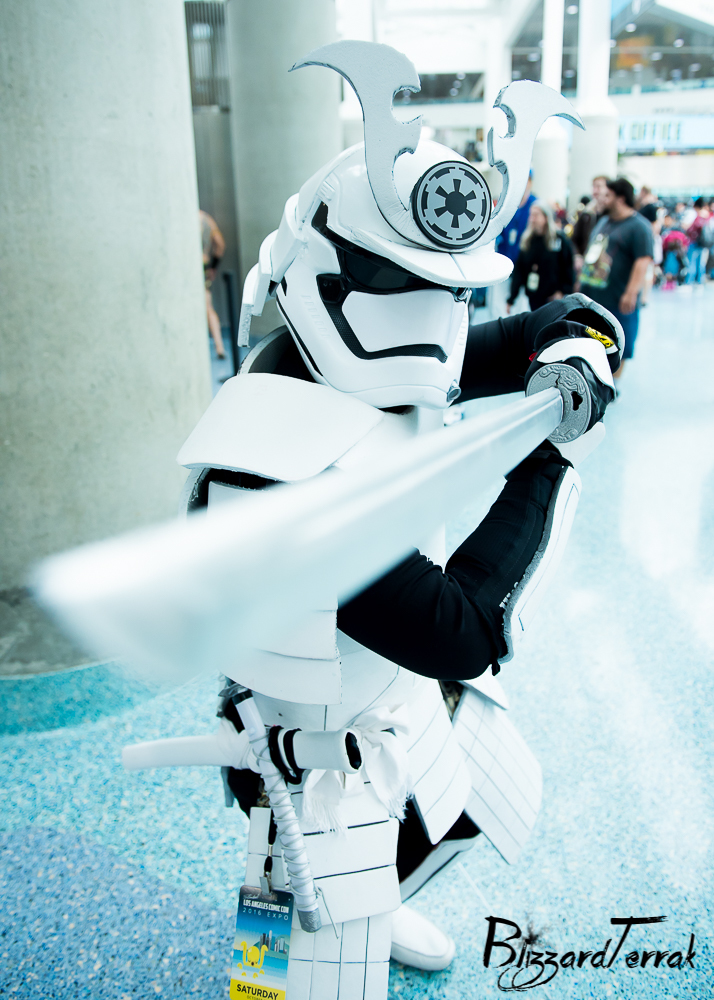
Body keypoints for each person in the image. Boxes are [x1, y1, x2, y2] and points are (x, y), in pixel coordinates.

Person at [125, 44, 621, 1000]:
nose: (431, 321)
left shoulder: (347, 359)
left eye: (449, 291)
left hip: (383, 692)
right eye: (398, 286)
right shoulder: (273, 469)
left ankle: (378, 900)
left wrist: (574, 337)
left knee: (455, 798)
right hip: (310, 752)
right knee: (287, 955)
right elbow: (466, 631)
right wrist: (553, 455)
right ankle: (299, 952)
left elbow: (507, 339)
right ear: (325, 271)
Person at [579, 177, 654, 378]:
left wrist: (631, 292)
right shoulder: (604, 221)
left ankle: (612, 385)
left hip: (618, 298)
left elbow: (643, 260)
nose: (602, 199)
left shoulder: (639, 226)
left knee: (619, 345)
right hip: (595, 296)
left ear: (620, 199)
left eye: (607, 196)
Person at [506, 200, 575, 313]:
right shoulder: (528, 240)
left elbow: (568, 266)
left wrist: (563, 291)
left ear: (546, 217)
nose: (532, 219)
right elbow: (519, 271)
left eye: (536, 215)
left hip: (553, 298)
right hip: (534, 297)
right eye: (531, 215)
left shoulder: (559, 240)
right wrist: (511, 299)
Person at [200, 209, 227, 359]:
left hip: (188, 269)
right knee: (208, 307)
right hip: (204, 265)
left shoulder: (183, 217)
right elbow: (219, 244)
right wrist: (214, 267)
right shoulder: (206, 219)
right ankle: (219, 346)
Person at [571, 175, 609, 270]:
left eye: (599, 187)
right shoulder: (587, 213)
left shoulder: (611, 215)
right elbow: (575, 239)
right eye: (593, 186)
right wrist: (577, 255)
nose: (595, 190)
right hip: (586, 264)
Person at [685, 197, 712, 284]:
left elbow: (690, 229)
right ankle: (700, 281)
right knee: (701, 263)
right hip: (704, 242)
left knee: (691, 262)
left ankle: (689, 281)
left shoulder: (696, 215)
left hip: (694, 241)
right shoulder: (707, 215)